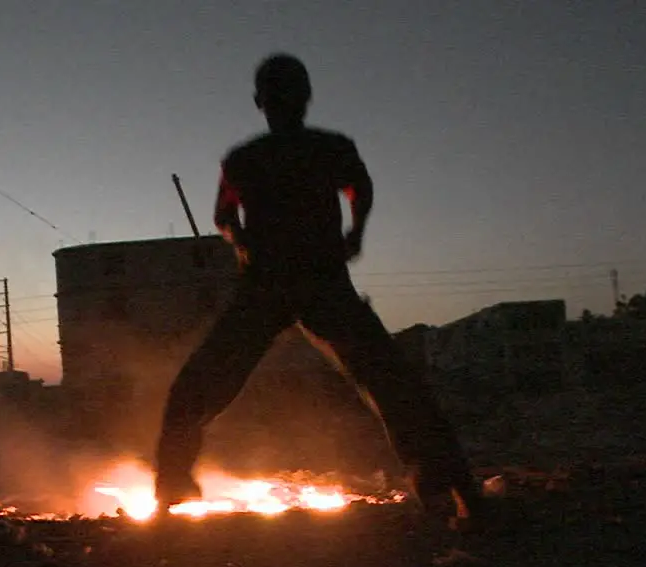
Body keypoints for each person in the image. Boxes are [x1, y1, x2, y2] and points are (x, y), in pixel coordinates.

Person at [153, 53, 489, 531]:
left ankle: (169, 492)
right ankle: (455, 491)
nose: (282, 103)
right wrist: (355, 231)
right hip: (307, 282)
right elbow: (358, 190)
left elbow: (225, 217)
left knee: (201, 382)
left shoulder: (252, 158)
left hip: (289, 283)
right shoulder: (317, 150)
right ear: (300, 97)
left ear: (261, 101)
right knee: (391, 382)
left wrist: (243, 240)